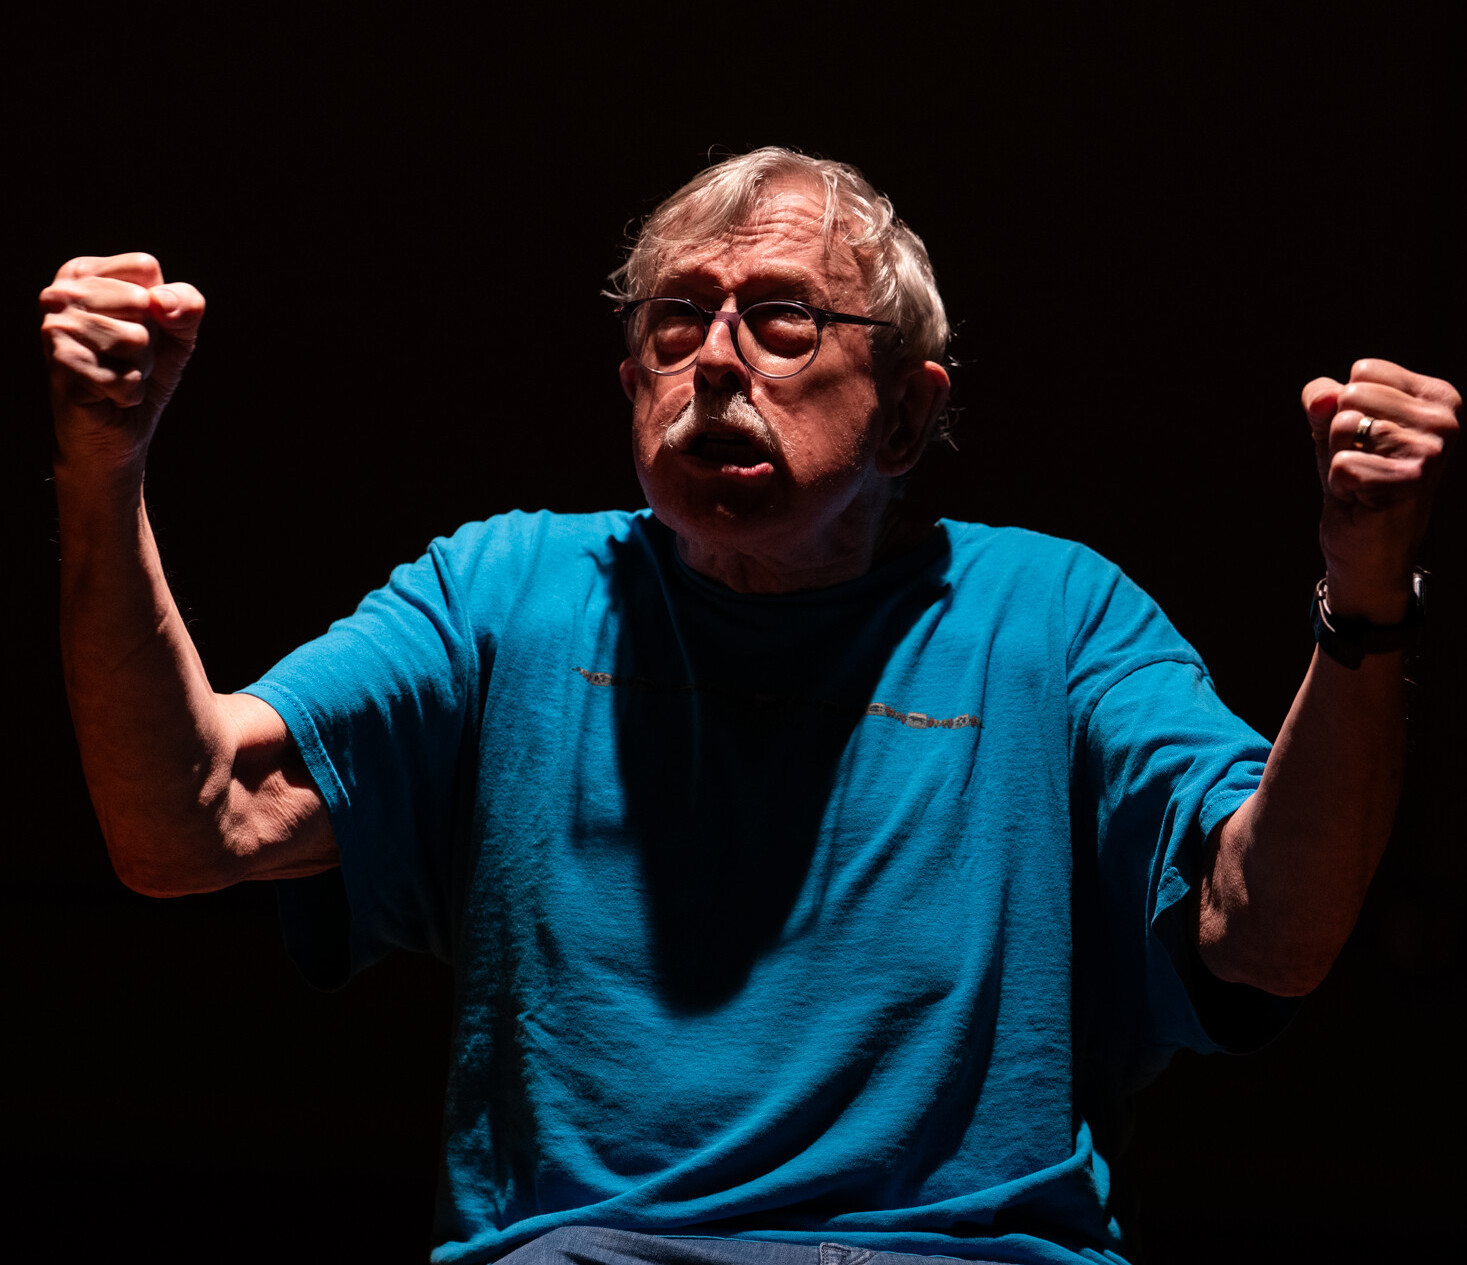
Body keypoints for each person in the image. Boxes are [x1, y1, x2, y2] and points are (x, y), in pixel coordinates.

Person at [41, 148, 1458, 1265]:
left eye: (778, 317)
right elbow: (186, 820)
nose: (713, 359)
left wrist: (1365, 591)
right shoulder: (505, 592)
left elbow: (1271, 933)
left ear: (908, 413)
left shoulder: (1055, 615)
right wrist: (105, 466)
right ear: (629, 383)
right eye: (674, 325)